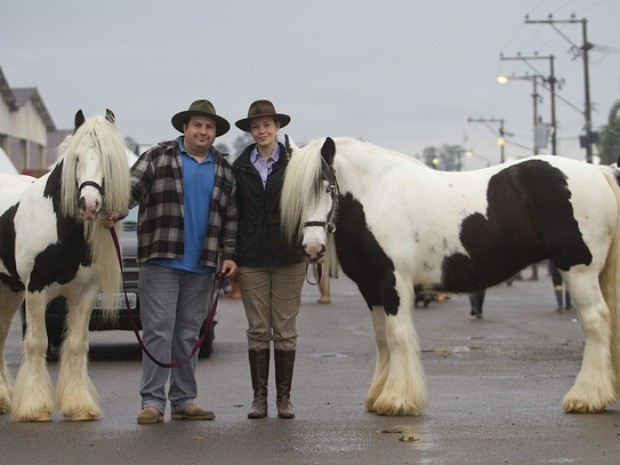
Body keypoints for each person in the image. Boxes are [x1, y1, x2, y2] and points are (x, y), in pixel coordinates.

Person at [105, 99, 238, 424]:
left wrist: (230, 254)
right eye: (198, 125)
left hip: (203, 265)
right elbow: (131, 189)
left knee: (188, 335)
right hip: (162, 261)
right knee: (158, 332)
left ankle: (183, 401)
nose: (203, 131)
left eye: (209, 127)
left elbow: (230, 216)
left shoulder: (223, 169)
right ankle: (152, 402)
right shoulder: (157, 156)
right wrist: (116, 207)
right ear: (185, 128)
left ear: (214, 132)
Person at [232, 100, 306, 419]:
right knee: (259, 328)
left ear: (278, 127)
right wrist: (231, 253)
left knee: (285, 328)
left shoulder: (296, 163)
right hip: (251, 257)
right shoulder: (238, 167)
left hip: (290, 254)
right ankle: (259, 398)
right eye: (256, 126)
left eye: (267, 125)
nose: (262, 131)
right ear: (250, 130)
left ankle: (284, 399)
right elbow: (232, 213)